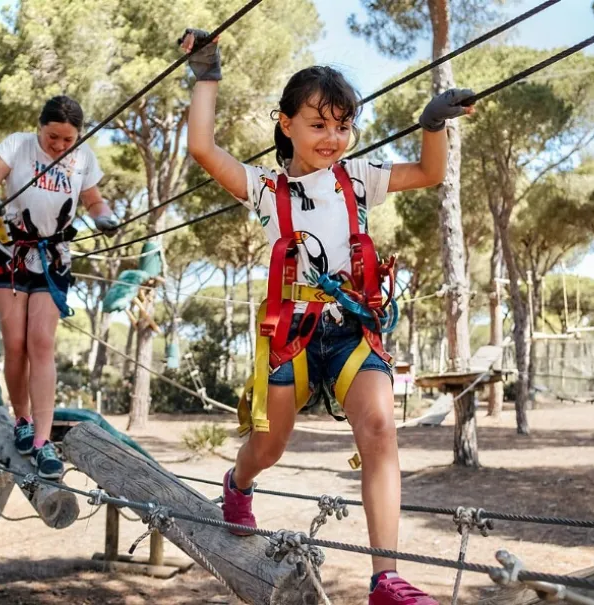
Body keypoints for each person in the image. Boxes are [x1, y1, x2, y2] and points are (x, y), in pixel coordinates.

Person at [180, 29, 474, 605]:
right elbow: (203, 150)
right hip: (289, 335)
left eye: (343, 126)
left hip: (351, 330)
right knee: (270, 447)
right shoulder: (266, 189)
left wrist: (433, 126)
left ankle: (385, 579)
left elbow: (429, 173)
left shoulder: (359, 178)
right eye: (319, 125)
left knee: (381, 430)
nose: (333, 138)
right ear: (285, 124)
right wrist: (206, 77)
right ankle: (238, 485)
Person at [0, 95, 119, 479]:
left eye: (67, 140)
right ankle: (20, 418)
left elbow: (94, 201)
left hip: (53, 259)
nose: (59, 146)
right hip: (9, 253)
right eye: (53, 138)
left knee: (41, 342)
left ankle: (42, 441)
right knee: (15, 344)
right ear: (40, 127)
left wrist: (105, 217)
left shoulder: (82, 158)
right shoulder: (18, 145)